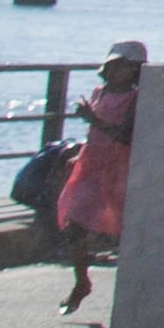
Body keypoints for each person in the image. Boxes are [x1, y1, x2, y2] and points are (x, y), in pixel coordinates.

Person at [54, 42, 145, 310]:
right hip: (92, 164)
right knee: (74, 223)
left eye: (124, 67)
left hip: (119, 168)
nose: (116, 72)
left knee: (122, 231)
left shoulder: (135, 99)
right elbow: (96, 133)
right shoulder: (100, 93)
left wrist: (92, 120)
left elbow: (124, 135)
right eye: (113, 66)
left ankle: (131, 293)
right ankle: (81, 281)